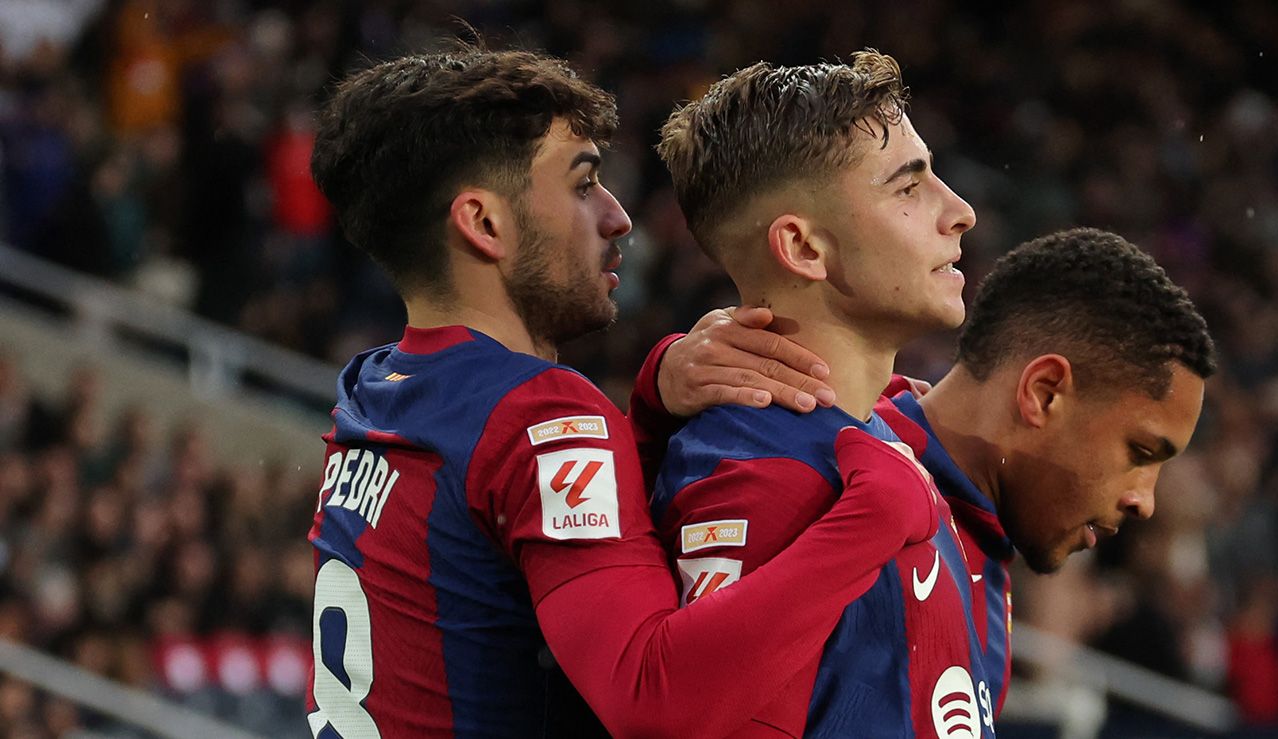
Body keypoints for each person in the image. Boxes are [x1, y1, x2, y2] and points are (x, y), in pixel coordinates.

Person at [304, 46, 939, 738]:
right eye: (583, 184)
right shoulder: (541, 414)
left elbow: (489, 539)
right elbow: (654, 699)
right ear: (484, 224)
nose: (617, 217)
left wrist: (651, 407)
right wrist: (874, 514)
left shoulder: (372, 392)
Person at [652, 49, 985, 737]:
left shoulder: (884, 444)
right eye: (908, 187)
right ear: (804, 248)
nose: (961, 211)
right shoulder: (755, 474)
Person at [872, 227, 1214, 728]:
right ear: (1045, 393)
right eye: (1139, 452)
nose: (1146, 502)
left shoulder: (986, 569)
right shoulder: (817, 466)